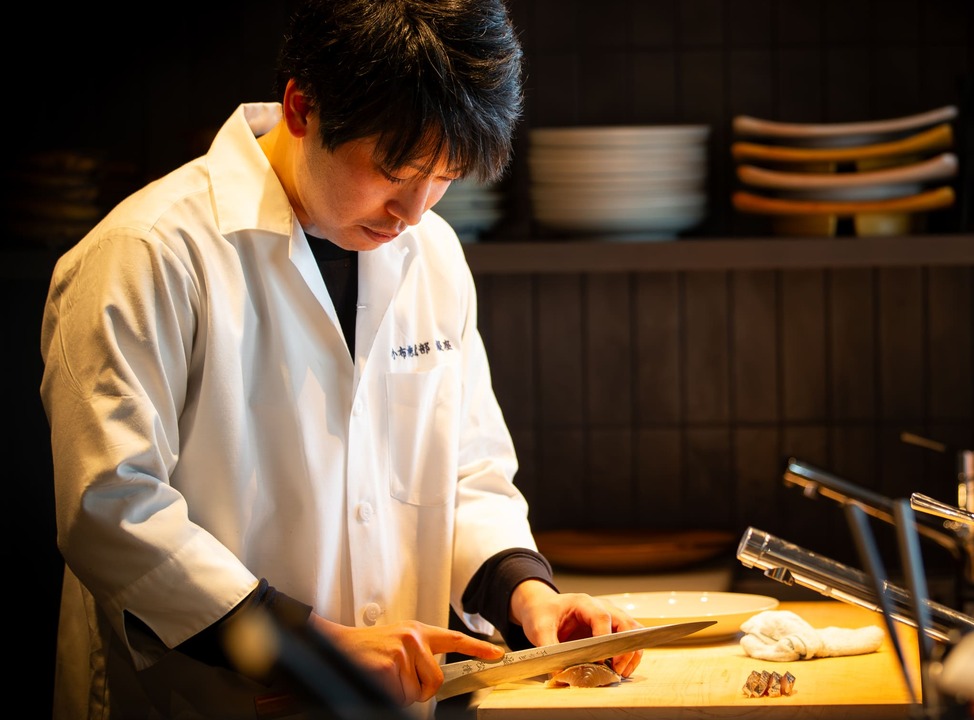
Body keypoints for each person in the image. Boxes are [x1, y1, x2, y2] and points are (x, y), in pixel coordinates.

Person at [39, 1, 642, 718]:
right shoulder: (146, 254)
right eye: (395, 170)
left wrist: (527, 594)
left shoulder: (433, 254)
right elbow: (112, 511)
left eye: (445, 176)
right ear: (303, 107)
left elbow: (466, 471)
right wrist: (307, 646)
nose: (415, 211)